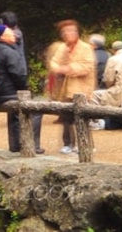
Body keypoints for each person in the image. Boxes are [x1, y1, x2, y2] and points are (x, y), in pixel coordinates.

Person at [0, 25, 43, 154]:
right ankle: (31, 144)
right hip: (8, 93)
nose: (14, 35)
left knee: (15, 114)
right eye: (10, 33)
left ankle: (15, 145)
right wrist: (24, 89)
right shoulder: (9, 52)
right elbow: (18, 74)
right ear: (2, 37)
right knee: (36, 110)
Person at [46, 19, 96, 154]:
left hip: (81, 88)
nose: (68, 33)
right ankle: (68, 143)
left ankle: (85, 145)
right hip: (64, 88)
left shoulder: (85, 48)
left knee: (82, 117)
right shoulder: (62, 47)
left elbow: (86, 67)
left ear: (77, 32)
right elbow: (54, 63)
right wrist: (59, 68)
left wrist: (67, 68)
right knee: (66, 117)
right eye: (65, 31)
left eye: (71, 30)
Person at [91, 40, 122, 129]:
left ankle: (96, 122)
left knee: (94, 95)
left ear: (113, 50)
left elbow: (109, 80)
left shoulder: (113, 59)